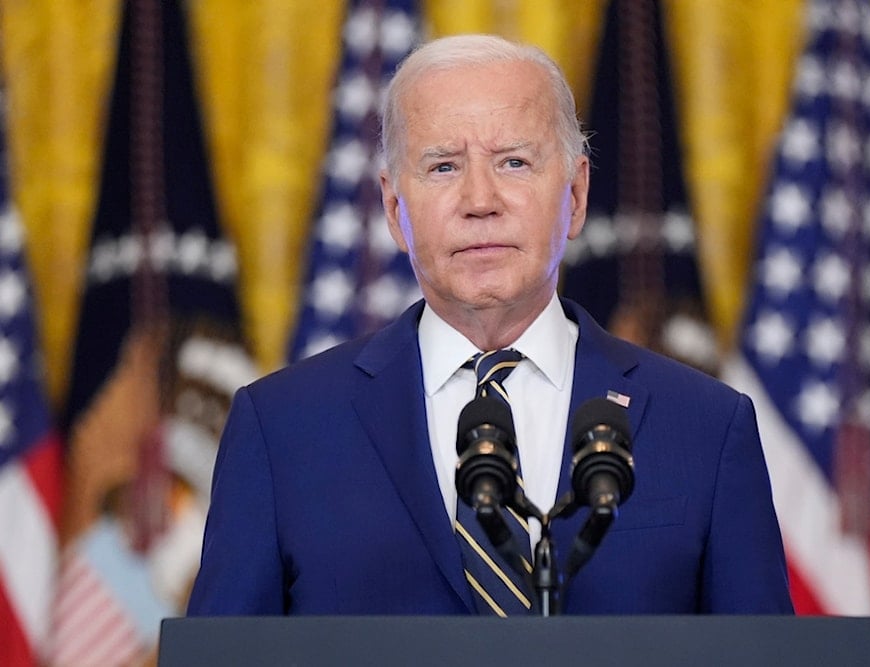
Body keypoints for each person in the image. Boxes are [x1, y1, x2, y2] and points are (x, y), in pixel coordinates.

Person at [187, 34, 793, 616]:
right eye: (444, 167)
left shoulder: (708, 428)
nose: (481, 199)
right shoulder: (281, 429)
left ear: (576, 196)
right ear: (396, 211)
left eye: (514, 162)